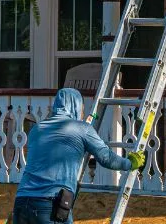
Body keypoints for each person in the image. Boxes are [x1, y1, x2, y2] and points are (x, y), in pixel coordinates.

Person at [9, 88, 144, 224]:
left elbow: (58, 145)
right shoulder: (83, 129)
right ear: (75, 106)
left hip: (21, 203)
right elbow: (106, 158)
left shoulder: (37, 129)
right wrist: (130, 163)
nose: (82, 113)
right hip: (50, 204)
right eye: (82, 109)